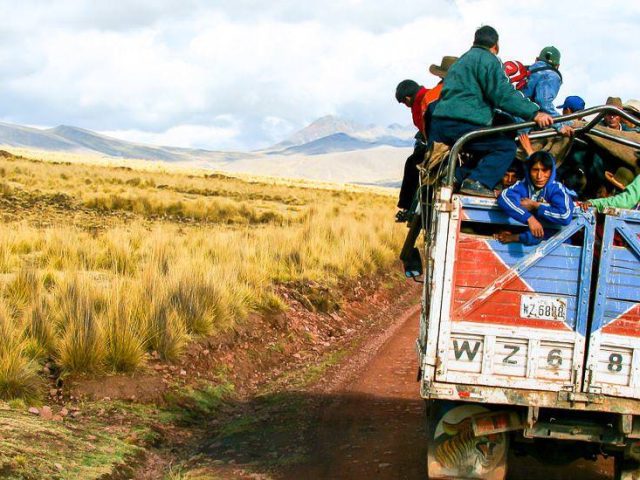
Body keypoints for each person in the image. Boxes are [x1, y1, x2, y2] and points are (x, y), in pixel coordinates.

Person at [430, 25, 553, 197]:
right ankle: (477, 182)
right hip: (462, 124)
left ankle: (457, 176)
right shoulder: (488, 60)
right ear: (496, 46)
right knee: (505, 148)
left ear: (475, 41)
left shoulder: (461, 61)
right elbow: (502, 94)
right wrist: (534, 113)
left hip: (440, 123)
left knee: (498, 131)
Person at [394, 56, 458, 220]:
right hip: (449, 140)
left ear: (407, 98)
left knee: (414, 164)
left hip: (441, 143)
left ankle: (409, 207)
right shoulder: (437, 91)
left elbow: (427, 128)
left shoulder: (425, 99)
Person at [495, 134, 574, 245]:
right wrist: (529, 218)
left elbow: (564, 216)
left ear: (551, 172)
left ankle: (517, 237)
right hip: (529, 239)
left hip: (556, 245)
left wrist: (535, 206)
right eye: (535, 170)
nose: (539, 176)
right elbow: (504, 198)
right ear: (529, 170)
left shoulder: (556, 189)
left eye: (544, 170)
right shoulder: (523, 185)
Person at [521, 47, 574, 137]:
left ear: (536, 59)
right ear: (557, 66)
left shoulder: (525, 70)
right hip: (521, 125)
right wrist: (560, 125)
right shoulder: (552, 75)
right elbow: (543, 101)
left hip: (500, 117)